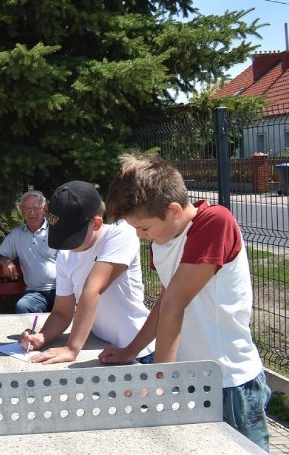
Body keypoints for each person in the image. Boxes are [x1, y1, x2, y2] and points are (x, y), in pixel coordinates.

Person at [100, 154, 270, 450]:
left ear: (174, 210)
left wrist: (158, 382)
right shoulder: (162, 238)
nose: (141, 237)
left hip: (228, 381)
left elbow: (174, 305)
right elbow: (167, 298)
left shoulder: (216, 222)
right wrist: (131, 351)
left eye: (143, 228)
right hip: (190, 377)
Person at [20, 180, 153, 365]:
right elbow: (62, 312)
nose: (67, 246)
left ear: (97, 223)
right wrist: (43, 336)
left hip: (137, 349)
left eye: (72, 238)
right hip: (100, 345)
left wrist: (72, 348)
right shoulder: (65, 255)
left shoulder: (121, 233)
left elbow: (92, 290)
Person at [0, 190, 57, 314]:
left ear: (45, 209)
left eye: (36, 208)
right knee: (23, 306)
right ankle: (31, 334)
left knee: (74, 306)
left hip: (62, 290)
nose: (32, 213)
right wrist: (4, 261)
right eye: (27, 208)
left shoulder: (57, 232)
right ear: (22, 210)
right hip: (35, 293)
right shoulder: (17, 234)